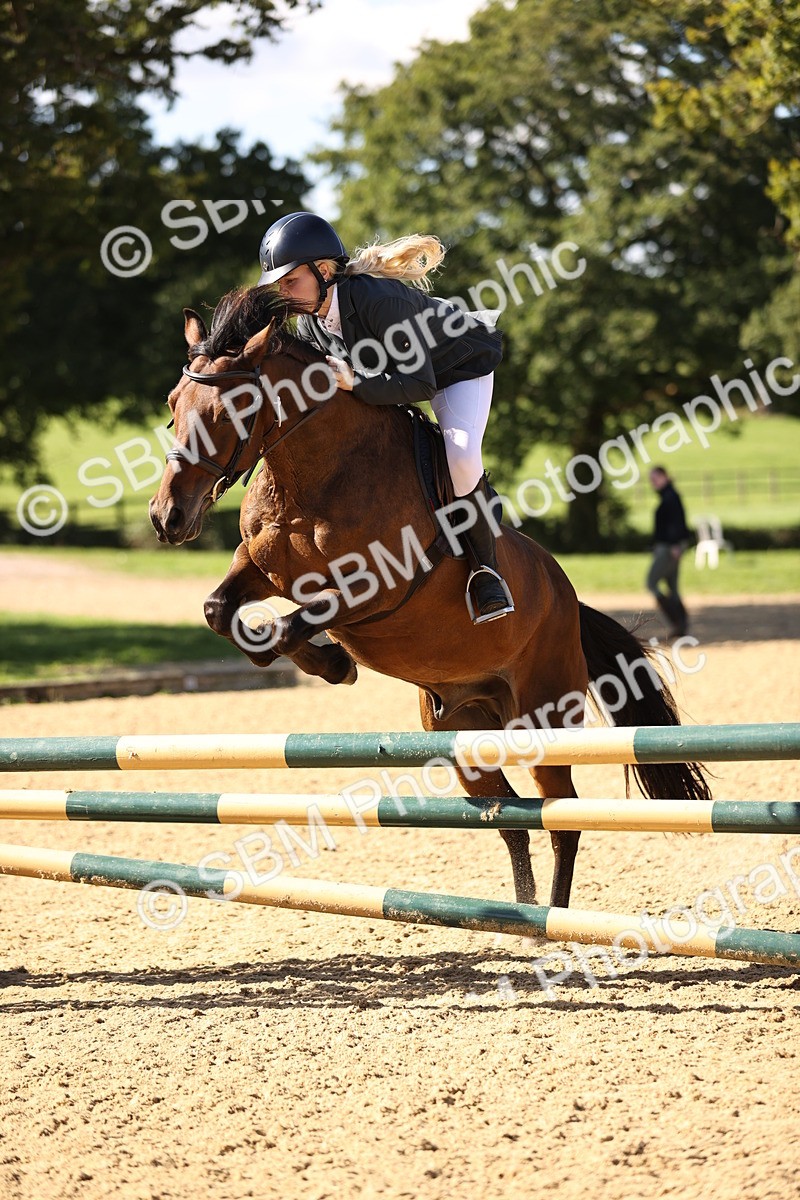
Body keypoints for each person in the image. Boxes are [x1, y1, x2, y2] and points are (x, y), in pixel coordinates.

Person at [255, 210, 514, 625]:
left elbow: (419, 384)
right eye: (279, 286)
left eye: (291, 282)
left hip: (456, 372)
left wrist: (356, 383)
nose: (284, 294)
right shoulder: (310, 326)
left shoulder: (379, 301)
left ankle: (488, 572)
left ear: (323, 272)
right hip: (395, 379)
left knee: (462, 457)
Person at [646, 466, 692, 638]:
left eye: (655, 478)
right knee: (672, 586)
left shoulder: (671, 497)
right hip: (669, 546)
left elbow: (677, 522)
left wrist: (675, 545)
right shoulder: (668, 495)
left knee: (652, 582)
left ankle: (676, 621)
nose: (653, 483)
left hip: (669, 548)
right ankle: (682, 622)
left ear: (665, 476)